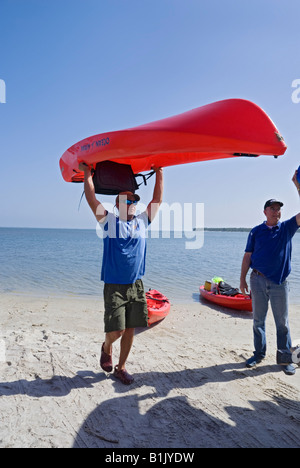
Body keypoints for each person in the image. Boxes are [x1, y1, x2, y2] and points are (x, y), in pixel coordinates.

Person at [79, 163, 163, 384]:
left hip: (136, 284)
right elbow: (92, 200)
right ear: (117, 205)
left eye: (135, 200)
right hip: (114, 285)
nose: (133, 204)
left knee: (130, 330)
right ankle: (106, 347)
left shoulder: (142, 222)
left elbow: (157, 201)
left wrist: (160, 173)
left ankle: (121, 367)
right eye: (127, 200)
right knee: (116, 331)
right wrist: (88, 174)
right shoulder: (109, 222)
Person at [240, 170, 300, 375]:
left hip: (279, 283)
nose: (276, 212)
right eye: (272, 208)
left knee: (282, 323)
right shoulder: (256, 231)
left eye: (279, 209)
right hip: (256, 280)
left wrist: (298, 186)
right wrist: (242, 279)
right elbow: (247, 256)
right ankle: (258, 354)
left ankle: (285, 360)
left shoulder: (287, 228)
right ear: (265, 211)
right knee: (258, 320)